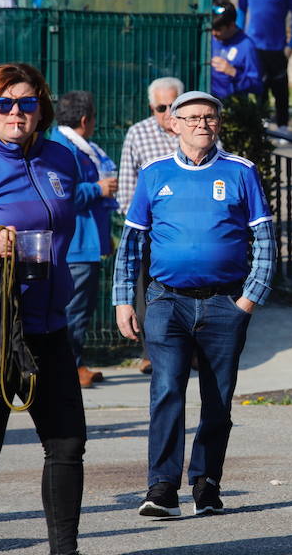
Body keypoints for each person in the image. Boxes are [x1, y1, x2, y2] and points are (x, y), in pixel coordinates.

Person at [113, 90, 276, 517]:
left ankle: (207, 482)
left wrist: (249, 299)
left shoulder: (241, 171)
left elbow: (264, 241)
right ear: (173, 123)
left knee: (218, 399)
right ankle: (162, 487)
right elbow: (130, 245)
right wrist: (123, 301)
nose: (202, 124)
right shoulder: (154, 174)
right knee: (167, 390)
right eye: (192, 117)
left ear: (218, 124)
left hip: (226, 303)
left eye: (210, 117)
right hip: (167, 302)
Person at [0, 62, 86, 555]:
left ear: (41, 109)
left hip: (50, 327)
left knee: (67, 445)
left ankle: (64, 551)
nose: (15, 112)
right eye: (3, 103)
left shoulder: (60, 159)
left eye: (26, 103)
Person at [50, 90, 118, 389]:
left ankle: (73, 365)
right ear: (84, 119)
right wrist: (98, 189)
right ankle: (71, 368)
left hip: (84, 242)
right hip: (75, 245)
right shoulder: (64, 148)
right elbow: (62, 196)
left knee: (75, 310)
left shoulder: (75, 146)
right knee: (73, 311)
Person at [117, 76, 183, 374]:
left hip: (189, 231)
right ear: (151, 107)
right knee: (149, 295)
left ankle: (190, 349)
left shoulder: (195, 129)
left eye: (173, 105)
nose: (168, 113)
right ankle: (150, 352)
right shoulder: (138, 134)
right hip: (153, 233)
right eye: (161, 107)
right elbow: (127, 190)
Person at [236, 0, 292, 131]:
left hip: (278, 47)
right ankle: (261, 123)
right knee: (259, 87)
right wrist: (238, 41)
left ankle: (282, 125)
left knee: (280, 87)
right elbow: (241, 13)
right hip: (254, 46)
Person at [210, 2, 263, 102]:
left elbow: (257, 86)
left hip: (232, 104)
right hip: (209, 99)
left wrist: (233, 72)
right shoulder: (210, 38)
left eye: (218, 30)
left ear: (231, 25)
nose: (213, 33)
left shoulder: (247, 46)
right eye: (212, 28)